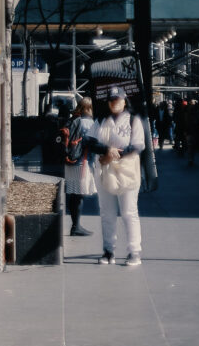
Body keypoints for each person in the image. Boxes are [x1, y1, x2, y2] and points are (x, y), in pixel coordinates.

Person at [88, 85, 146, 268]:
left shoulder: (133, 120)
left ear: (124, 100)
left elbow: (138, 145)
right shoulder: (100, 120)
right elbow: (89, 142)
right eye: (112, 100)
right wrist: (106, 150)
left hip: (127, 170)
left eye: (118, 99)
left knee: (129, 212)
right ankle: (108, 250)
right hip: (105, 171)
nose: (115, 103)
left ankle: (134, 251)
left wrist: (113, 154)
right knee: (107, 212)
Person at [63, 96, 95, 237]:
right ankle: (76, 226)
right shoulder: (88, 123)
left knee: (74, 195)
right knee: (79, 195)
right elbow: (94, 144)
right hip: (82, 162)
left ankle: (75, 225)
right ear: (88, 108)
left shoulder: (72, 120)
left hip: (70, 161)